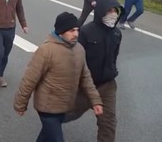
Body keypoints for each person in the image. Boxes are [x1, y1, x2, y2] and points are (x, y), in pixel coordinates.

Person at [14, 12, 103, 142]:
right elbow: (29, 79)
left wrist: (95, 100)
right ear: (61, 31)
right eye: (71, 30)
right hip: (47, 107)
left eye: (77, 30)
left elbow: (86, 78)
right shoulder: (47, 50)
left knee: (46, 136)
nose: (76, 34)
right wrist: (20, 104)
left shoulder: (79, 49)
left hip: (65, 105)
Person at [64, 0, 124, 142]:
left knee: (108, 123)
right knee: (67, 114)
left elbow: (114, 57)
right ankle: (49, 126)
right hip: (86, 86)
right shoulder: (85, 32)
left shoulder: (117, 33)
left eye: (115, 11)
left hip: (107, 86)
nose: (112, 14)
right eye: (109, 10)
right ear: (100, 12)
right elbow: (75, 59)